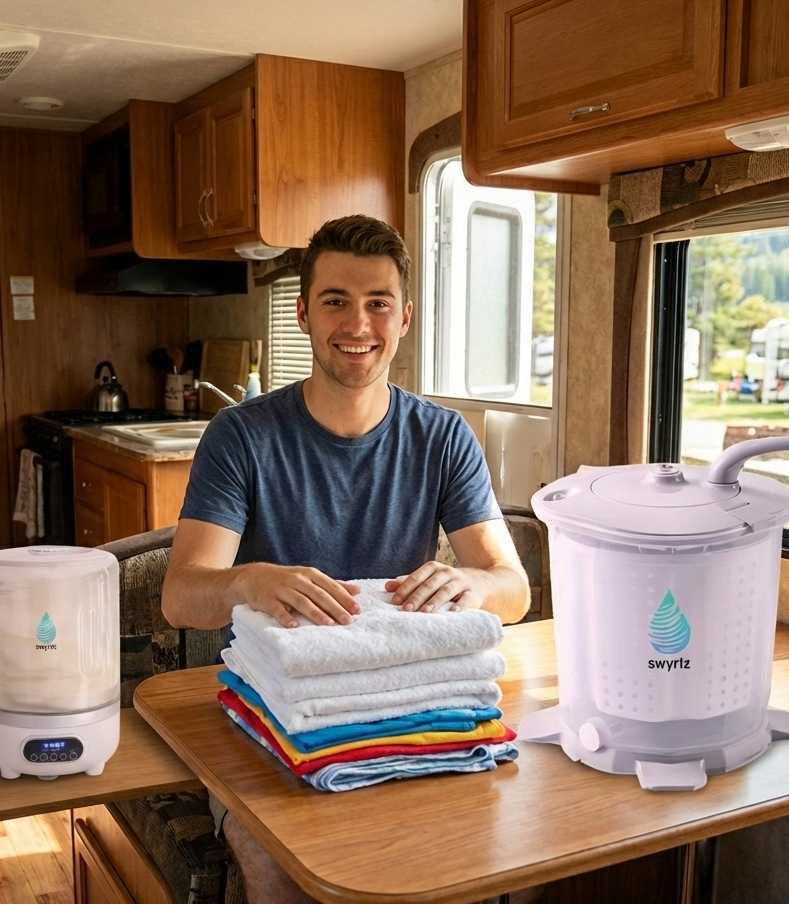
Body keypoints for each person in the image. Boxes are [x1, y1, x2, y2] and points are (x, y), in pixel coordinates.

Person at [160, 214, 531, 904]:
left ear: (404, 317)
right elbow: (181, 596)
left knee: (506, 854)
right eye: (335, 301)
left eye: (377, 303)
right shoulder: (240, 436)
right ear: (302, 312)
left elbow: (514, 592)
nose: (356, 324)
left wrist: (471, 579)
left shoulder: (443, 436)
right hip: (271, 719)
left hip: (401, 711)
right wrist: (251, 580)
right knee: (279, 874)